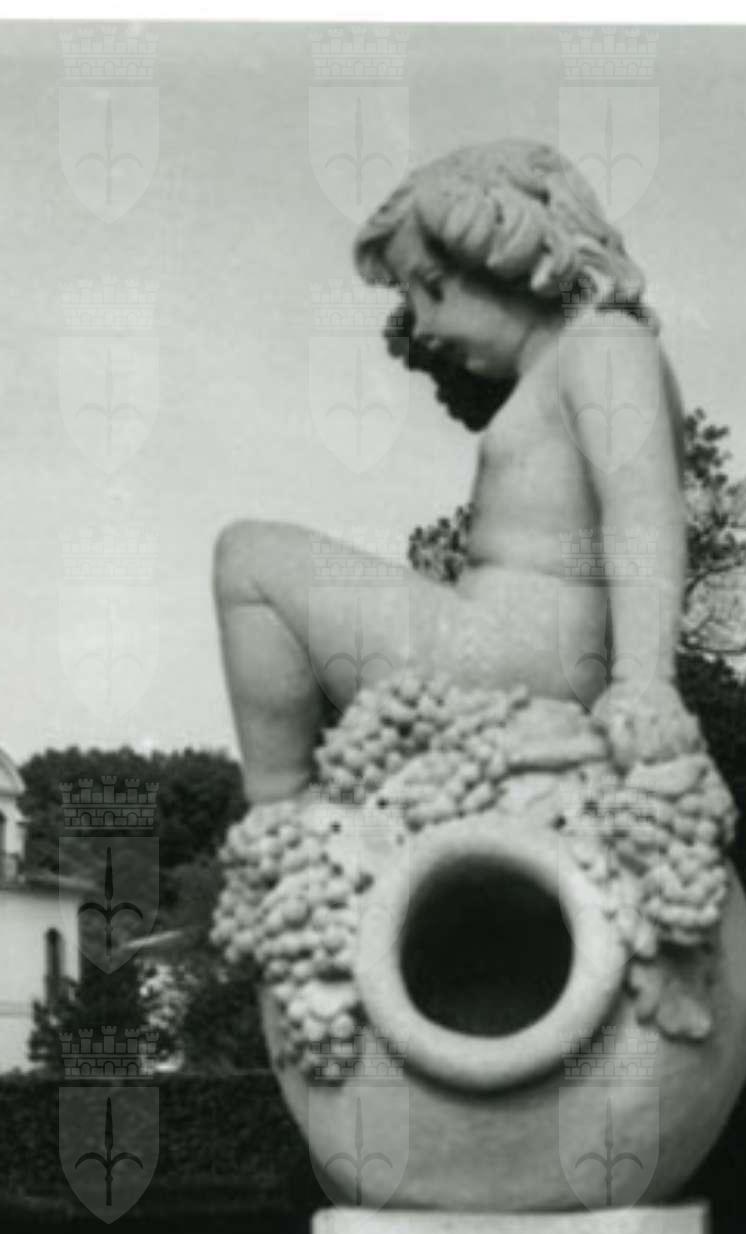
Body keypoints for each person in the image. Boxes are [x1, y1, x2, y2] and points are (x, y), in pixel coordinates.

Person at [215, 139, 699, 806]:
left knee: (248, 559)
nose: (422, 325)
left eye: (434, 289)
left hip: (509, 657)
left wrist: (646, 680)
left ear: (513, 258)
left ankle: (282, 805)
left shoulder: (605, 344)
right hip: (515, 653)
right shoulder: (562, 366)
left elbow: (642, 508)